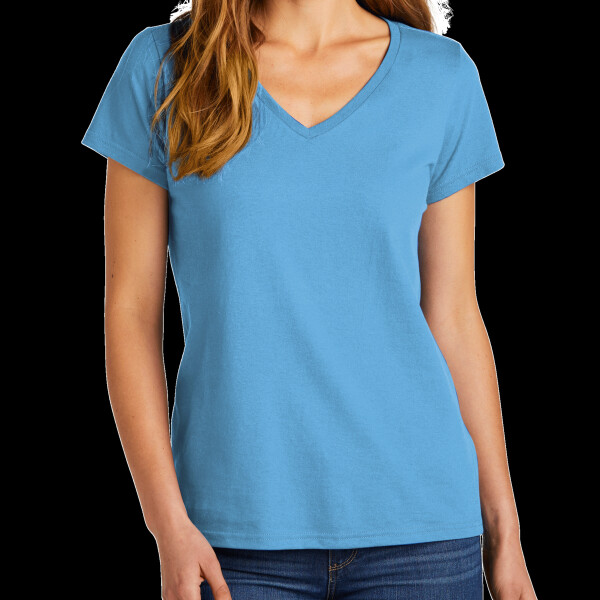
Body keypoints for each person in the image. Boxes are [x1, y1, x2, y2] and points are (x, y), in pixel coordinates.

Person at [81, 1, 537, 599]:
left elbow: (452, 314)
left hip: (422, 533)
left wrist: (505, 533)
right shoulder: (166, 68)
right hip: (230, 538)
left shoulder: (440, 76)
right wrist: (167, 525)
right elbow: (131, 314)